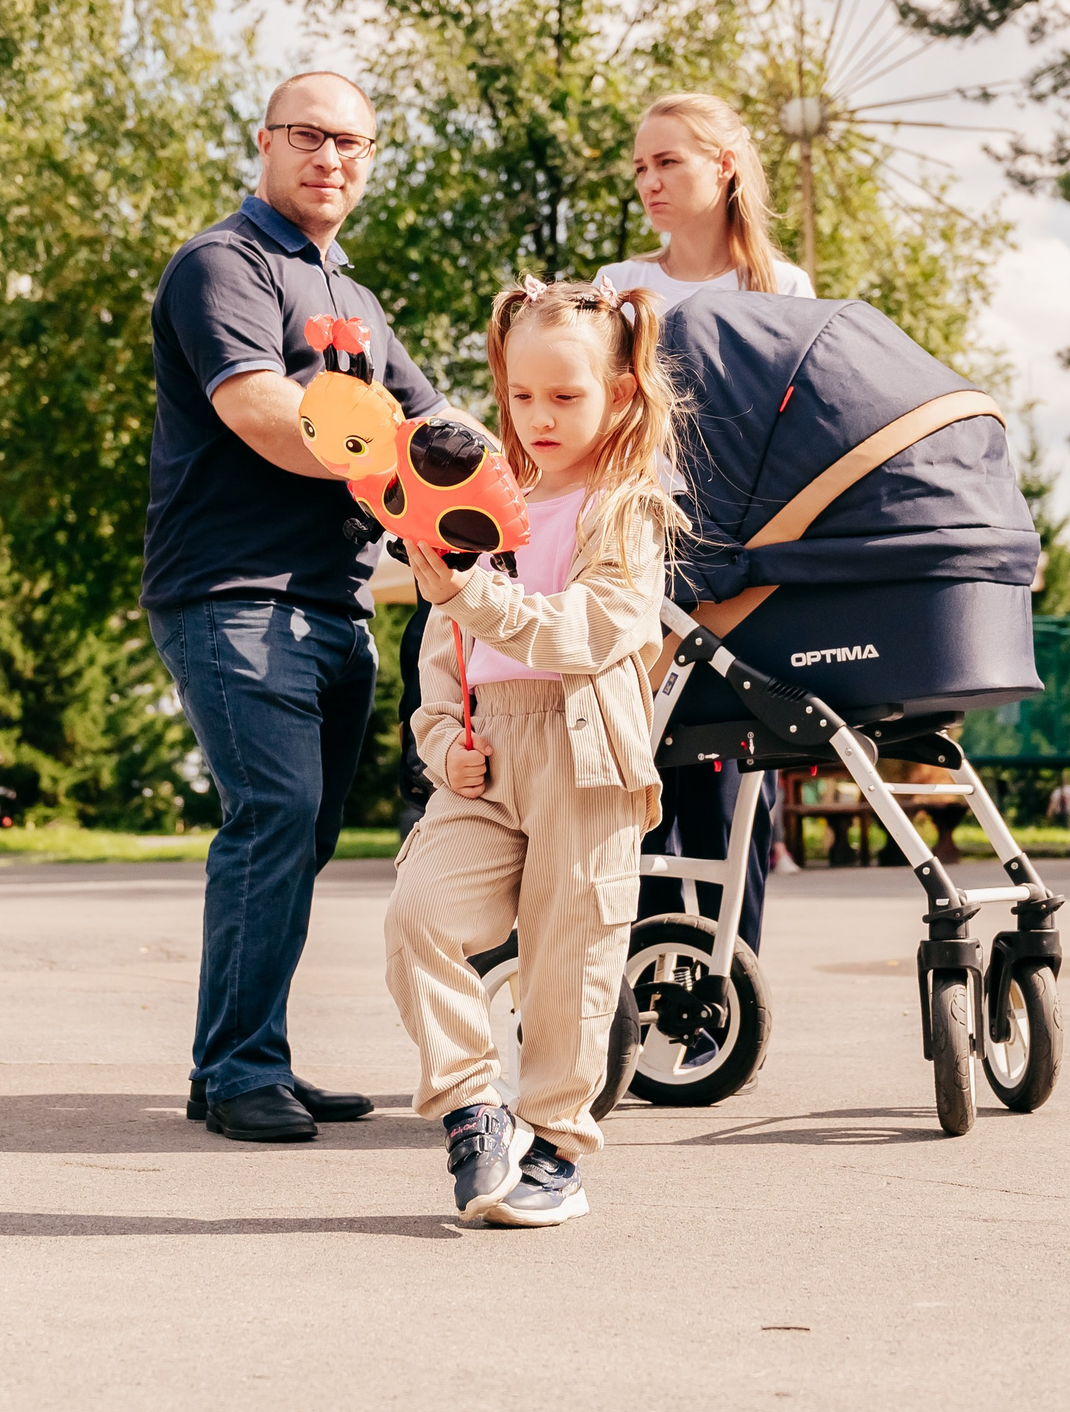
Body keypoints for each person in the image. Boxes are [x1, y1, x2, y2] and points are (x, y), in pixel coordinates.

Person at [143, 70, 453, 1143]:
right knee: (271, 816)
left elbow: (438, 423)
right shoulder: (220, 266)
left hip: (336, 601)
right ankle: (236, 1069)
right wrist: (416, 458)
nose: (331, 157)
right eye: (309, 136)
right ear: (265, 141)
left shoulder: (354, 300)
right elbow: (263, 410)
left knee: (301, 833)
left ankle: (244, 1051)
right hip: (233, 594)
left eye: (352, 143)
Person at [387, 275, 685, 1228]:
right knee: (419, 915)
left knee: (571, 958)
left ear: (621, 393)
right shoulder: (482, 497)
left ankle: (556, 1145)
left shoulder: (626, 508)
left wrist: (472, 596)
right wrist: (442, 744)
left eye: (566, 396)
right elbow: (443, 658)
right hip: (487, 759)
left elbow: (591, 628)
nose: (539, 417)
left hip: (584, 754)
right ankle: (473, 1107)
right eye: (521, 395)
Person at [599, 92, 814, 963]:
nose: (648, 181)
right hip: (639, 549)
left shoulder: (782, 289)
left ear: (723, 167)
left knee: (731, 792)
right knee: (642, 774)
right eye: (641, 166)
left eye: (668, 162)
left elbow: (798, 433)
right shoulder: (618, 288)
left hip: (742, 558)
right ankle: (637, 988)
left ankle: (727, 982)